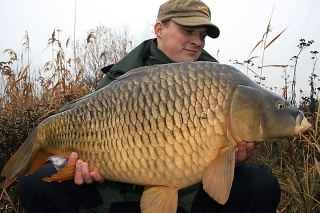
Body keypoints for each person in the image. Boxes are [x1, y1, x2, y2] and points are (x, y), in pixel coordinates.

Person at [17, 0, 281, 212]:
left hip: (189, 191)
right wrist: (79, 166)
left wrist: (232, 160)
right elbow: (86, 131)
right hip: (117, 188)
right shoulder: (119, 77)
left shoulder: (219, 81)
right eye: (188, 31)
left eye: (202, 35)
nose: (197, 41)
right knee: (34, 185)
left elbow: (217, 163)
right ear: (159, 29)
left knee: (261, 185)